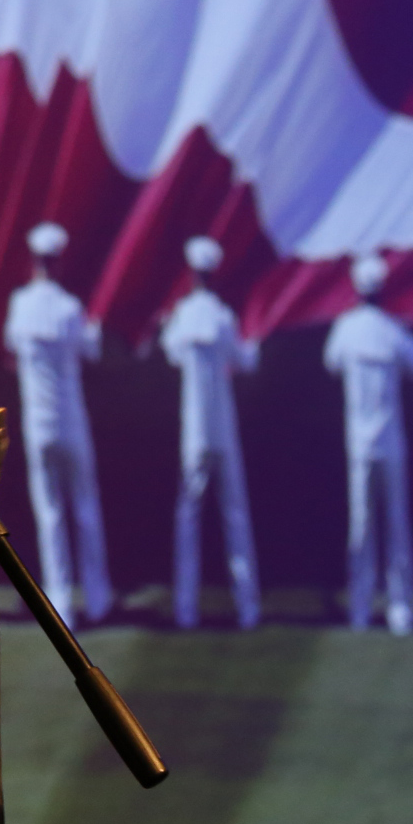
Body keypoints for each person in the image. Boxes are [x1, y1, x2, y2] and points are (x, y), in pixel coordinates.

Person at [2, 220, 113, 626]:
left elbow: (12, 345)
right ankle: (98, 599)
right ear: (59, 262)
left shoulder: (20, 305)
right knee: (84, 507)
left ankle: (62, 604)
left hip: (39, 426)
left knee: (49, 513)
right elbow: (91, 350)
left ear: (34, 261)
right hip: (70, 422)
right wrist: (94, 328)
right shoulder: (70, 308)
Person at [324, 252, 413, 635]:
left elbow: (331, 361)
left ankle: (360, 609)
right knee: (395, 525)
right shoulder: (391, 330)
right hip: (389, 443)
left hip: (360, 444)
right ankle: (400, 609)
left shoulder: (347, 328)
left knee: (362, 527)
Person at [160, 235, 261, 630]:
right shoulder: (223, 317)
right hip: (223, 431)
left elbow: (170, 353)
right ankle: (248, 609)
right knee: (236, 517)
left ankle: (186, 611)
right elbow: (245, 361)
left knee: (188, 521)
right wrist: (254, 339)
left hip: (195, 435)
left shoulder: (184, 316)